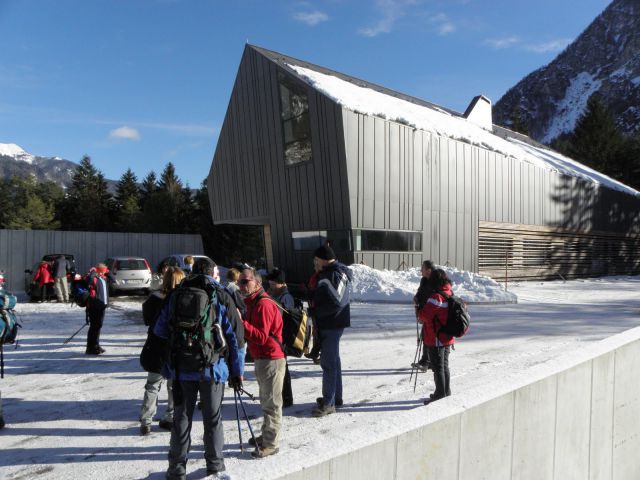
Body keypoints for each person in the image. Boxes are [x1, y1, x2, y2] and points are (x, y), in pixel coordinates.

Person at [154, 257, 242, 479]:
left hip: (181, 368)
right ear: (213, 273)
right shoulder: (220, 296)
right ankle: (215, 464)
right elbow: (236, 339)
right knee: (213, 419)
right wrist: (237, 372)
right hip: (212, 369)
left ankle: (176, 468)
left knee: (181, 418)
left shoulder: (176, 294)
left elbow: (160, 330)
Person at [239, 267, 285, 458]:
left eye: (245, 281)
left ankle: (271, 443)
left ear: (257, 283)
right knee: (266, 400)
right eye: (240, 282)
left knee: (272, 403)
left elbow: (260, 336)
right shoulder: (253, 302)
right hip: (263, 358)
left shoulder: (263, 305)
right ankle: (266, 435)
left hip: (271, 358)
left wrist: (240, 322)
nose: (241, 285)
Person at [139, 267, 183, 436]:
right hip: (174, 348)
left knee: (152, 385)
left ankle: (146, 420)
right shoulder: (182, 300)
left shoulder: (154, 299)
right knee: (173, 386)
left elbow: (146, 319)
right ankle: (170, 417)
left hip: (156, 346)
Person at [310, 245, 352, 417]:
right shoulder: (329, 273)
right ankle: (335, 398)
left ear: (323, 259)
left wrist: (315, 310)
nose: (314, 264)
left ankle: (329, 403)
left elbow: (337, 301)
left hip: (332, 324)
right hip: (329, 323)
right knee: (334, 362)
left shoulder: (335, 273)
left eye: (316, 261)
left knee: (329, 364)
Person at [417, 268, 454, 405]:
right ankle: (445, 391)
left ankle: (439, 394)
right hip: (447, 336)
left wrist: (417, 307)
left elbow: (423, 317)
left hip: (436, 336)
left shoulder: (436, 297)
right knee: (444, 365)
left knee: (438, 367)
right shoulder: (448, 291)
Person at [266, 268, 295, 408]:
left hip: (282, 337)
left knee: (283, 368)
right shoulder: (274, 294)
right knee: (279, 368)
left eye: (273, 284)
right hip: (275, 337)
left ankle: (287, 398)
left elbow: (283, 317)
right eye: (269, 284)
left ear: (281, 283)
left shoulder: (286, 297)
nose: (270, 287)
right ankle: (283, 397)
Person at [85, 263, 114, 355]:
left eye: (105, 270)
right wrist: (93, 272)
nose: (104, 272)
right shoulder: (93, 277)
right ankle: (90, 347)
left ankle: (96, 345)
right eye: (103, 270)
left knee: (98, 326)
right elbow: (88, 281)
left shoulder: (103, 278)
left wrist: (108, 272)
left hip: (102, 305)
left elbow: (113, 280)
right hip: (94, 305)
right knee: (94, 326)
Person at [411, 260, 435, 372]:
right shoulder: (424, 280)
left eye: (423, 268)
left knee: (428, 337)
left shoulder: (436, 280)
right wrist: (416, 298)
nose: (421, 270)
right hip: (425, 312)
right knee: (425, 336)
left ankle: (427, 362)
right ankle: (425, 361)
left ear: (429, 270)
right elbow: (420, 293)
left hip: (434, 314)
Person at [303, 270, 321, 364]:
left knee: (319, 332)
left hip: (319, 308)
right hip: (313, 306)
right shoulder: (315, 276)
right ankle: (315, 352)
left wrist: (311, 292)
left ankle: (319, 354)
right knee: (315, 331)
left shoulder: (322, 277)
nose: (315, 266)